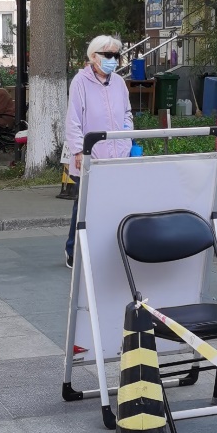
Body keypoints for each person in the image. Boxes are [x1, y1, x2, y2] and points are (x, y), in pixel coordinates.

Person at [63, 34, 134, 269]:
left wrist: (126, 138)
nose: (113, 59)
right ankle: (73, 249)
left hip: (118, 154)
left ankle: (108, 249)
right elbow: (73, 120)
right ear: (93, 56)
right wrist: (78, 150)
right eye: (108, 55)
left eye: (116, 55)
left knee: (114, 204)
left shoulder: (119, 83)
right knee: (84, 205)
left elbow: (127, 114)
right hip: (90, 155)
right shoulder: (80, 82)